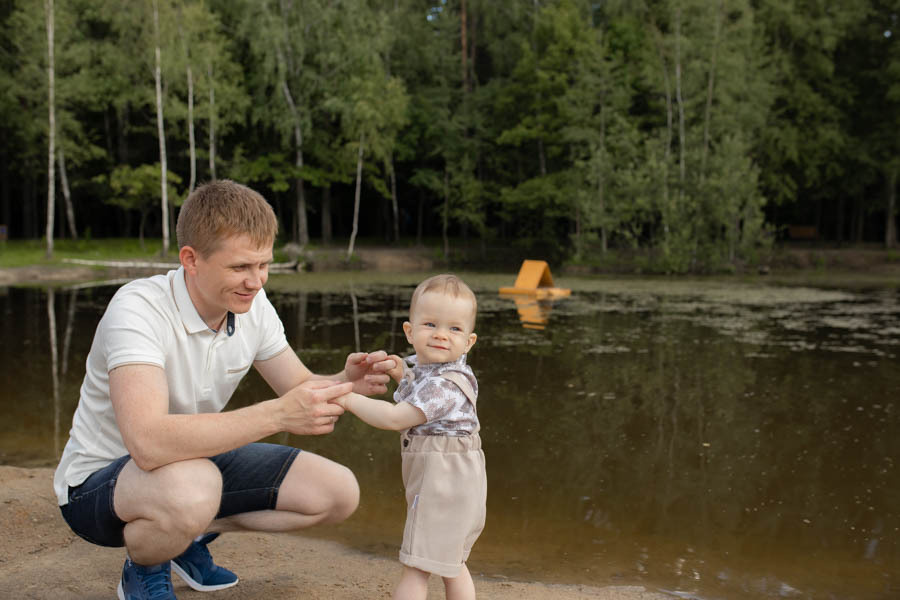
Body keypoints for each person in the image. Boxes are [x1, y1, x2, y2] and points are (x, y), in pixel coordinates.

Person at [53, 180, 396, 600]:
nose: (256, 281)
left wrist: (345, 382)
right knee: (193, 486)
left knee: (337, 493)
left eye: (264, 265)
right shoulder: (137, 309)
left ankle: (181, 537)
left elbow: (299, 385)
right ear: (191, 260)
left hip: (193, 463)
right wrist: (277, 415)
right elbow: (146, 444)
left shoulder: (253, 305)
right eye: (240, 267)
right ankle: (144, 566)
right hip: (98, 484)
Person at [332, 274, 487, 600]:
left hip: (442, 481)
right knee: (452, 562)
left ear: (469, 342)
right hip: (461, 481)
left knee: (417, 567)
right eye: (430, 324)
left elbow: (394, 417)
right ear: (410, 331)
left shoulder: (444, 386)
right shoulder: (440, 369)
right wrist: (394, 367)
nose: (442, 335)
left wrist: (346, 398)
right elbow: (415, 377)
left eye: (454, 329)